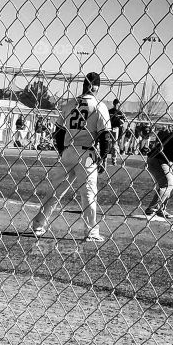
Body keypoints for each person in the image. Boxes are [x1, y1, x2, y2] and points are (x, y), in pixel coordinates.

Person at [30, 70, 112, 243]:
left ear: (83, 85)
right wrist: (103, 157)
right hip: (87, 153)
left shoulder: (70, 103)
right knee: (88, 194)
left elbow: (58, 131)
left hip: (68, 150)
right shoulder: (99, 106)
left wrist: (62, 150)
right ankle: (91, 231)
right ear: (96, 87)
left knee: (55, 190)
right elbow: (105, 136)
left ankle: (38, 225)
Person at [108, 98, 125, 162]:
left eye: (118, 105)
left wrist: (120, 121)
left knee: (114, 144)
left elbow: (123, 121)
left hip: (116, 129)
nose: (116, 106)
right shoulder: (110, 111)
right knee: (107, 143)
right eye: (115, 104)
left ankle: (114, 159)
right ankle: (104, 159)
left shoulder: (120, 113)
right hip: (109, 128)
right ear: (113, 104)